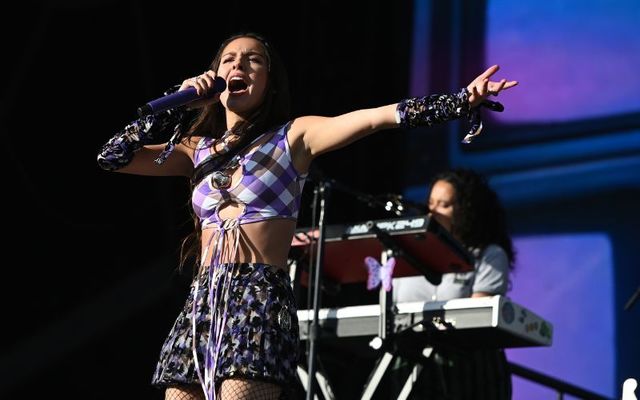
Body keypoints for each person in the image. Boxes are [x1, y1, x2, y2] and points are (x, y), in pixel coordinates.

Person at [96, 31, 517, 400]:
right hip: (203, 297)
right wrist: (179, 102)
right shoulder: (195, 150)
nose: (238, 63)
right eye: (228, 59)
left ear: (270, 83)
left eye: (252, 59)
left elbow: (373, 120)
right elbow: (112, 158)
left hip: (256, 295)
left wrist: (458, 101)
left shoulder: (292, 136)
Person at [391, 168, 516, 399]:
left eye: (444, 205)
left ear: (467, 211)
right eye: (430, 203)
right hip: (412, 360)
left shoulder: (487, 254)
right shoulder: (408, 254)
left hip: (467, 367)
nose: (432, 212)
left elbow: (477, 318)